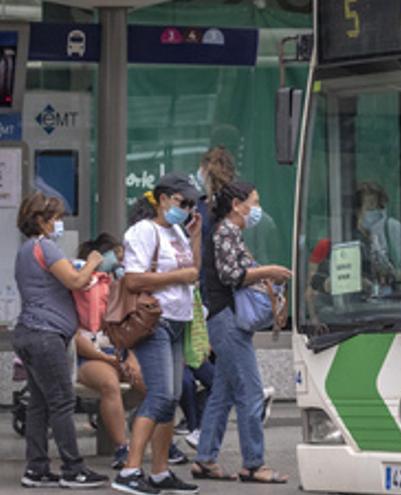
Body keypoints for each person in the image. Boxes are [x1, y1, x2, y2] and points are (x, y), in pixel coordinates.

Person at [192, 181, 292, 483]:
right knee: (250, 392)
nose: (257, 208)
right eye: (254, 201)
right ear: (237, 205)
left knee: (222, 394)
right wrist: (268, 271)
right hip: (228, 321)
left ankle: (205, 458)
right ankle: (253, 463)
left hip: (227, 320)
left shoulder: (230, 233)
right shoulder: (225, 232)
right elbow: (231, 276)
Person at [12, 192, 110, 489]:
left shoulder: (25, 250)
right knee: (62, 401)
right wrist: (93, 261)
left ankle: (37, 468)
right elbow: (75, 281)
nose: (59, 224)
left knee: (40, 404)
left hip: (29, 332)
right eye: (55, 218)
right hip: (46, 336)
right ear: (40, 221)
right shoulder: (46, 248)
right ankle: (73, 468)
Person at [112, 173, 202, 495]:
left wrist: (196, 237)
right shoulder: (142, 231)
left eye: (191, 203)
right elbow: (134, 280)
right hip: (154, 321)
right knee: (161, 395)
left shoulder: (178, 230)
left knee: (171, 399)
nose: (187, 208)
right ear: (162, 199)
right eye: (181, 202)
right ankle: (129, 469)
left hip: (177, 321)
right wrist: (179, 275)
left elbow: (192, 273)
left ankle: (160, 472)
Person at [73, 235, 146, 471]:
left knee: (152, 384)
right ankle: (121, 448)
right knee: (109, 383)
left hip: (116, 348)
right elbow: (75, 337)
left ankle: (147, 439)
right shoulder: (74, 288)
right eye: (114, 255)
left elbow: (125, 328)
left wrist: (130, 356)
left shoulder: (115, 286)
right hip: (89, 353)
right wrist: (106, 358)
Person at [308, 182, 401, 299]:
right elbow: (318, 281)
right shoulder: (346, 242)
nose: (377, 212)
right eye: (371, 207)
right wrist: (356, 282)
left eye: (380, 207)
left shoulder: (384, 236)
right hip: (358, 308)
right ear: (358, 211)